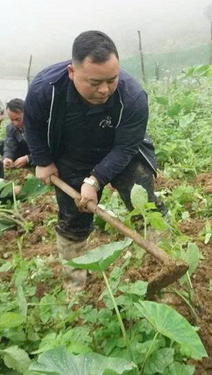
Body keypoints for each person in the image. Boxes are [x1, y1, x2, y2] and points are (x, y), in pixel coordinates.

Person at [24, 30, 165, 292]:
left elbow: (126, 147)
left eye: (112, 80)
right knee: (73, 220)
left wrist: (95, 180)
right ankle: (74, 288)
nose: (104, 90)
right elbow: (31, 124)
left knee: (144, 205)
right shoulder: (45, 89)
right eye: (94, 82)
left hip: (122, 151)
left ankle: (156, 267)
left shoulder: (132, 96)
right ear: (71, 72)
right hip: (71, 155)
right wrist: (42, 160)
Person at [0, 98, 31, 169]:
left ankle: (31, 162)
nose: (15, 123)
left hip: (36, 151)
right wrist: (7, 157)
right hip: (24, 149)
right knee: (1, 145)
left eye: (17, 119)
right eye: (11, 120)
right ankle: (17, 162)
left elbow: (44, 147)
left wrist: (28, 158)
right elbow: (10, 145)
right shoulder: (11, 127)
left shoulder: (35, 124)